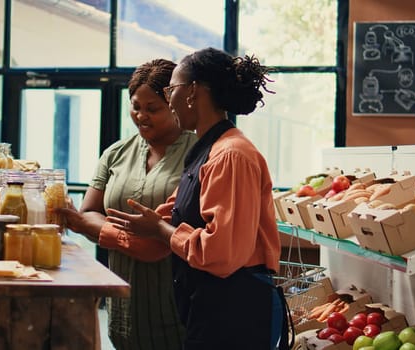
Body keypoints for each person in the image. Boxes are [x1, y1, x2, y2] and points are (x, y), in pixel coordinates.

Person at [104, 47, 290, 350]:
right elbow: (172, 215)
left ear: (192, 92)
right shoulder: (207, 151)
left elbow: (221, 253)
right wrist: (147, 225)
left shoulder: (231, 155)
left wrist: (161, 231)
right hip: (212, 308)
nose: (168, 100)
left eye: (170, 90)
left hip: (235, 313)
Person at [58, 58, 196, 350]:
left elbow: (163, 240)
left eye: (152, 109)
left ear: (174, 103)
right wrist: (131, 234)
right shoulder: (116, 153)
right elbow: (88, 213)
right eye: (135, 106)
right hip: (122, 306)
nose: (141, 116)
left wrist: (107, 231)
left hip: (177, 308)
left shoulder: (197, 153)